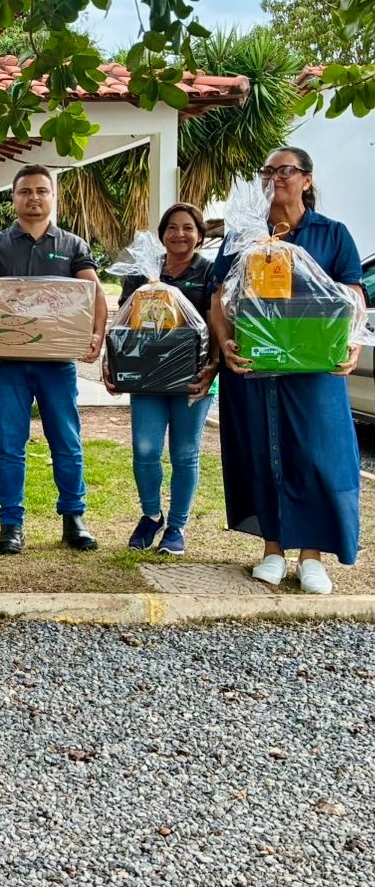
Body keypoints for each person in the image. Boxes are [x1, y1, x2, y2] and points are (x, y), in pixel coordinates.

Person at [209, 147, 364, 595]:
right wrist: (225, 343)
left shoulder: (333, 235)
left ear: (307, 179)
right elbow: (221, 296)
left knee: (314, 453)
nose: (276, 177)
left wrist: (350, 343)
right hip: (256, 365)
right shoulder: (243, 235)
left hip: (312, 368)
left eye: (286, 170)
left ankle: (311, 555)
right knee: (262, 450)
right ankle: (273, 549)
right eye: (268, 171)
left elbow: (353, 294)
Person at [0, 164, 107, 555]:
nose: (34, 198)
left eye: (41, 191)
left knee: (66, 440)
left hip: (56, 364)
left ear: (52, 197)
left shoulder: (73, 245)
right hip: (8, 365)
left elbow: (93, 293)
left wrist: (96, 335)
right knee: (9, 444)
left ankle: (73, 518)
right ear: (13, 198)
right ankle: (10, 524)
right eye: (25, 191)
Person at [111, 204, 219, 556]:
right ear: (162, 235)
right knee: (145, 450)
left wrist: (213, 367)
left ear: (199, 235)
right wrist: (111, 364)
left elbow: (216, 321)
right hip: (147, 377)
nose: (179, 234)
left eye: (188, 228)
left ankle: (176, 526)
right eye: (172, 228)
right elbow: (123, 325)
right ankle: (151, 514)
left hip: (192, 377)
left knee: (185, 452)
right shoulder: (142, 273)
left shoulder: (208, 272)